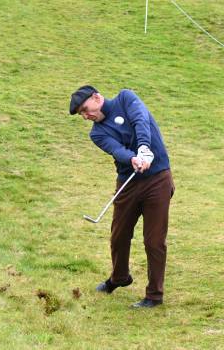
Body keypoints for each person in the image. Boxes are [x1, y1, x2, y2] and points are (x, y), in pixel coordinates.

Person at [69, 85, 174, 308]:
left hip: (158, 180)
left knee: (154, 241)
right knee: (119, 235)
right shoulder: (96, 133)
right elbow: (115, 149)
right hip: (128, 183)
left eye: (86, 110)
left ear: (97, 97)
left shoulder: (126, 98)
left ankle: (154, 295)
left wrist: (144, 148)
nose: (86, 116)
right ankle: (120, 277)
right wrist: (133, 158)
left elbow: (140, 120)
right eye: (82, 114)